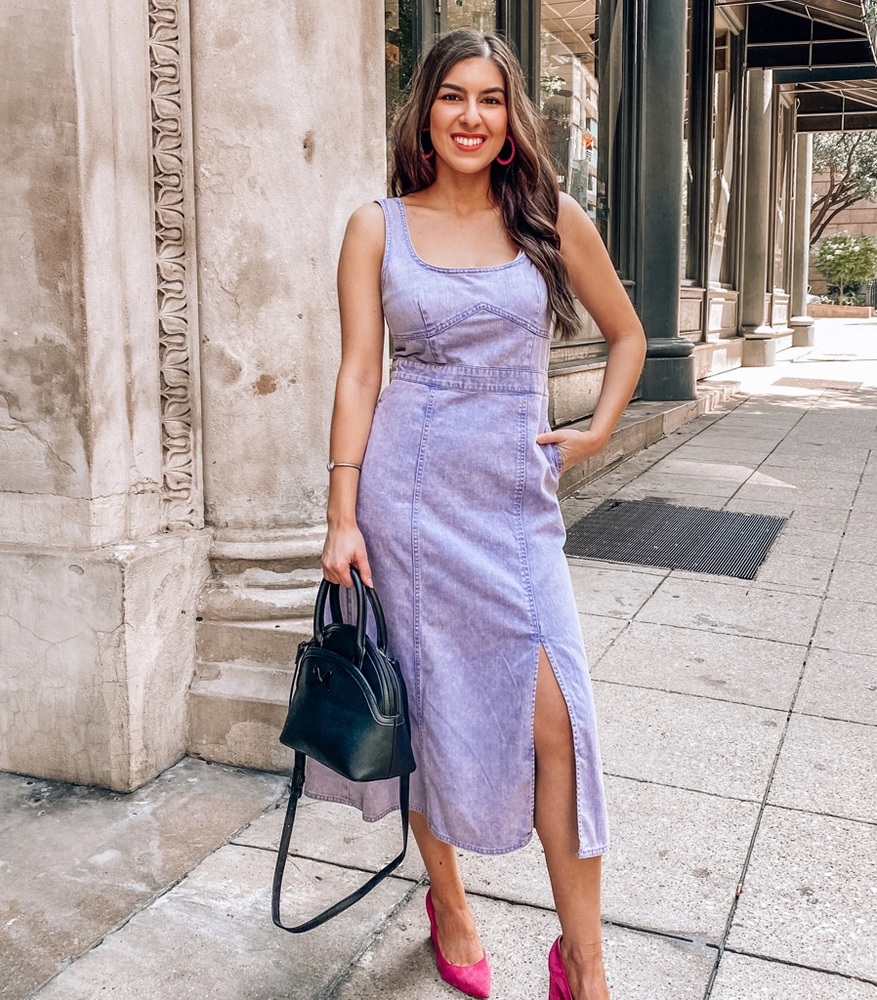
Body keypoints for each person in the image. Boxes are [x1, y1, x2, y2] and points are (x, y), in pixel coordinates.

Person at [310, 29, 646, 1000]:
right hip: (404, 503)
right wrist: (343, 515)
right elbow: (359, 373)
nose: (470, 115)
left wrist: (595, 431)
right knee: (428, 707)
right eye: (452, 96)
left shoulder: (550, 217)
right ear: (424, 114)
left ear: (510, 122)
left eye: (490, 100)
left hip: (513, 507)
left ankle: (581, 957)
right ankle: (448, 899)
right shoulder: (377, 226)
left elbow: (625, 337)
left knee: (559, 722)